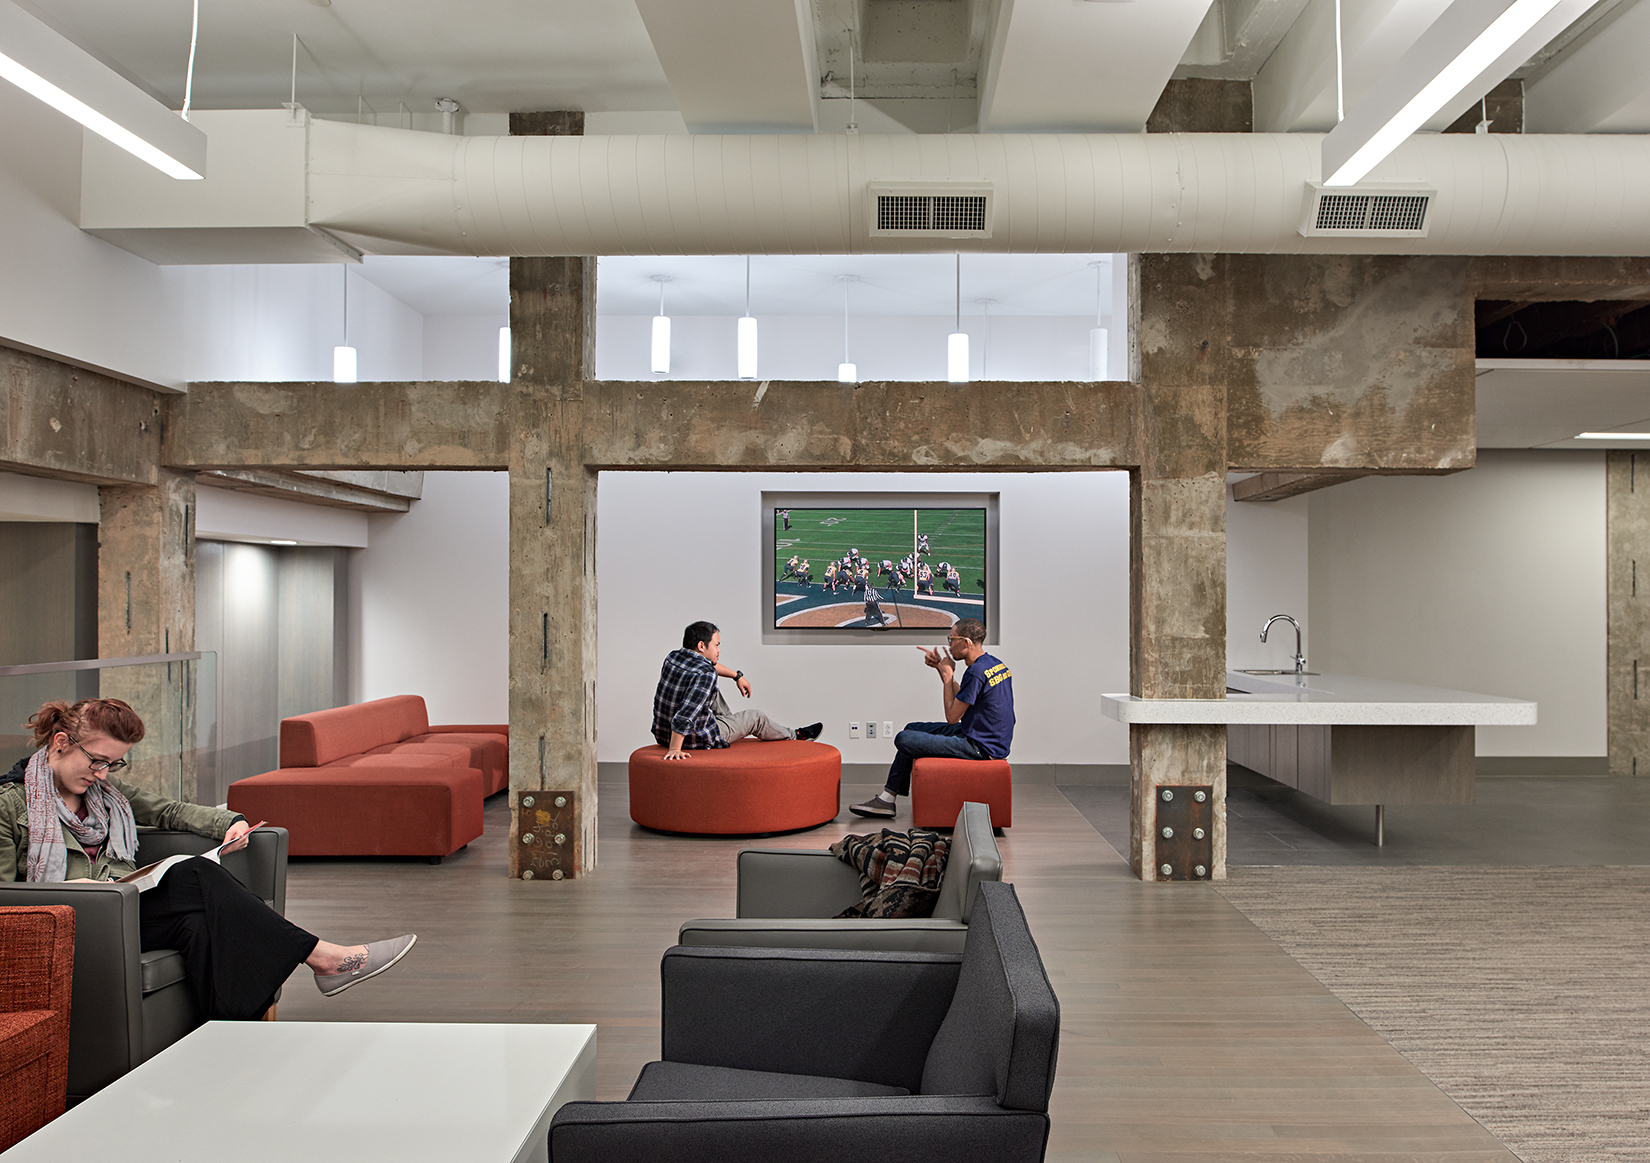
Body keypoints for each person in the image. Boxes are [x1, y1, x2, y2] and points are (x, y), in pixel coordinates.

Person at [0, 698, 417, 1019]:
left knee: (198, 925)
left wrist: (230, 822)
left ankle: (228, 1033)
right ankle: (325, 957)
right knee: (195, 872)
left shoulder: (106, 795)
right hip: (68, 918)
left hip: (124, 908)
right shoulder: (9, 805)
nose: (104, 774)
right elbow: (5, 898)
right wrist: (69, 888)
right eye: (96, 761)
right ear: (59, 744)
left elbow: (171, 811)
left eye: (113, 763)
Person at [850, 619, 1014, 819]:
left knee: (904, 738)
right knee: (912, 728)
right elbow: (965, 696)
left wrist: (947, 677)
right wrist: (941, 668)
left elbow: (953, 717)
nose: (949, 644)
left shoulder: (976, 671)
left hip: (981, 746)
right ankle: (888, 798)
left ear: (966, 642)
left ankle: (887, 799)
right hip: (986, 736)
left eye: (952, 639)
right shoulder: (993, 664)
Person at [653, 621, 823, 760]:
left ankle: (729, 723)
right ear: (701, 646)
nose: (719, 650)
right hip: (694, 739)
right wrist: (675, 749)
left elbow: (708, 667)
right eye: (716, 645)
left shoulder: (673, 657)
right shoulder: (706, 673)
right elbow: (685, 714)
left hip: (662, 733)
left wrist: (737, 676)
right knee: (756, 717)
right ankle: (796, 735)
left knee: (710, 690)